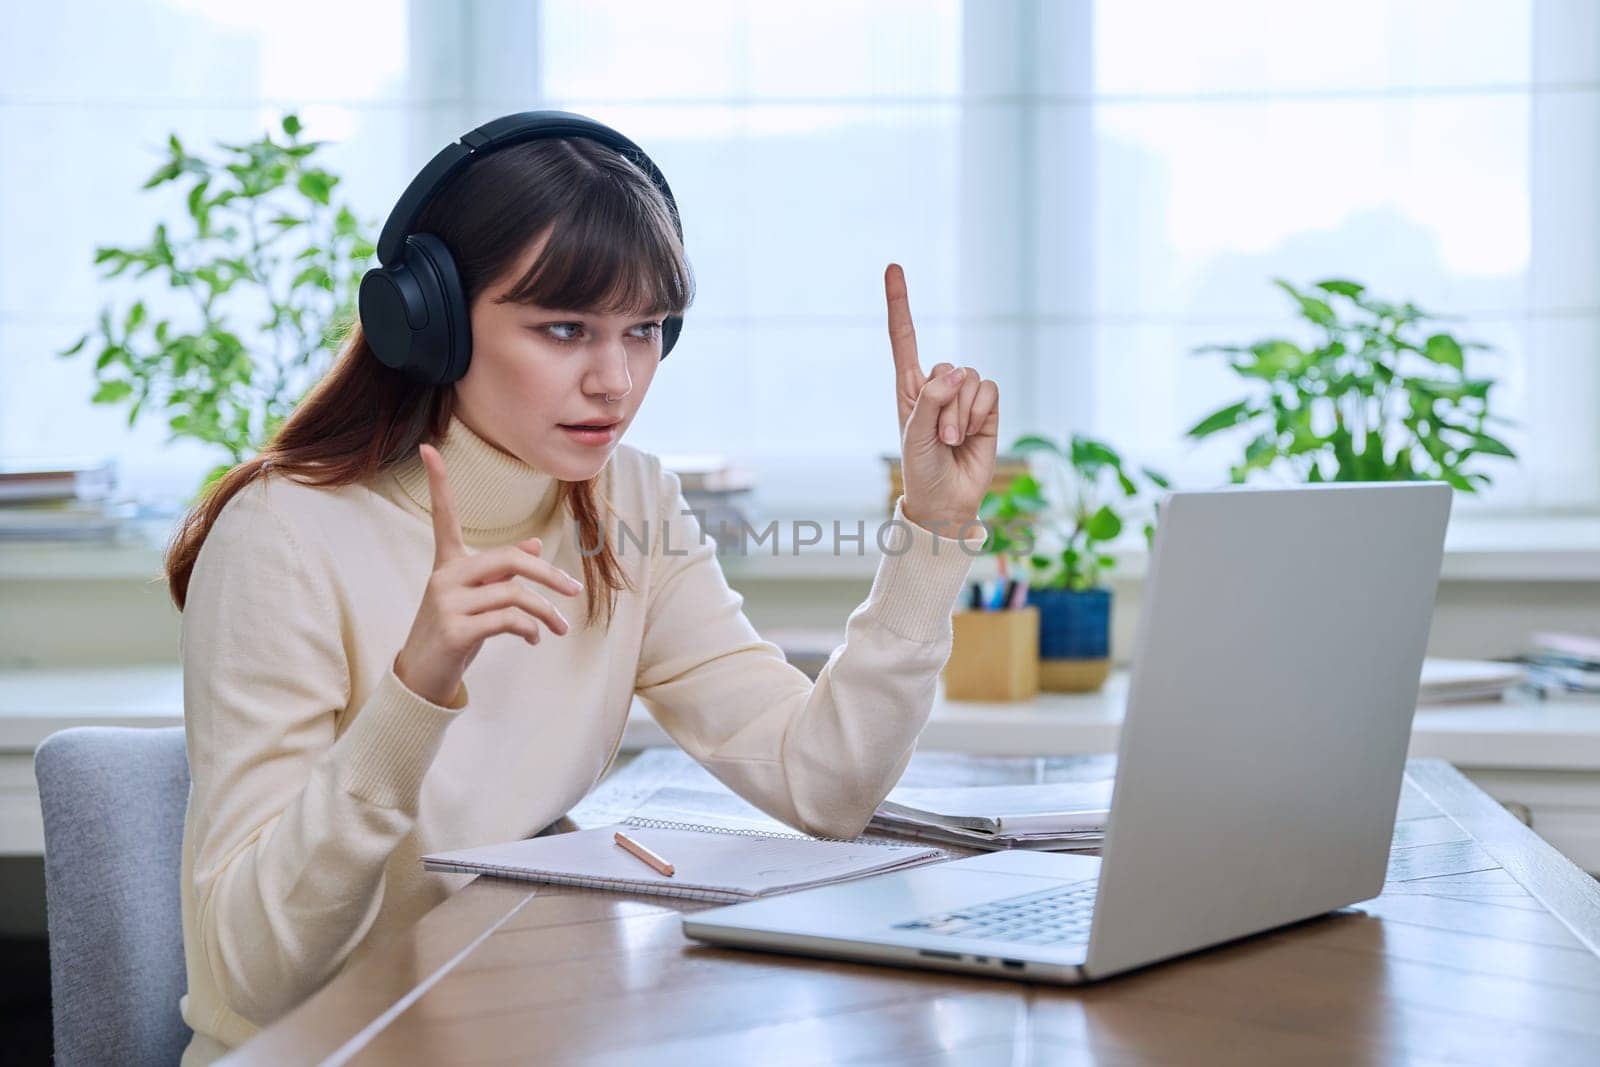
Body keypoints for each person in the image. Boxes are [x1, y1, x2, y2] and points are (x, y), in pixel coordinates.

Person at [164, 112, 999, 1064]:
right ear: (429, 322)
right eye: (564, 329)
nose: (616, 379)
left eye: (643, 331)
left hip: (511, 1025)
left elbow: (826, 783)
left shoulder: (628, 501)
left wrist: (930, 530)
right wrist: (415, 690)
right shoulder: (283, 535)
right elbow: (250, 978)